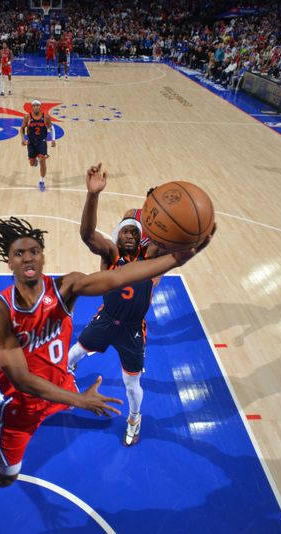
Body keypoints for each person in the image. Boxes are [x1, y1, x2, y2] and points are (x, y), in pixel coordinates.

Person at [0, 182, 203, 531]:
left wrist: (179, 258)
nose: (28, 257)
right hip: (24, 403)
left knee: (91, 364)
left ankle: (131, 415)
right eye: (19, 253)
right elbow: (23, 380)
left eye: (34, 251)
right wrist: (79, 400)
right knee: (6, 475)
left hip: (68, 380)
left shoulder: (67, 287)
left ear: (43, 255)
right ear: (8, 259)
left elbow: (117, 277)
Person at [68, 166, 215, 446]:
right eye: (124, 231)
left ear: (141, 240)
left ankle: (134, 418)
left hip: (133, 331)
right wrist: (92, 195)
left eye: (134, 233)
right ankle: (67, 379)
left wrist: (190, 229)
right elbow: (88, 235)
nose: (129, 235)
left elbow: (175, 245)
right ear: (116, 236)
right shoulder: (110, 255)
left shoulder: (151, 263)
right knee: (73, 355)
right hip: (106, 320)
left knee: (131, 384)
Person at [19, 99, 56, 192]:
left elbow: (52, 128)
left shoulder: (46, 117)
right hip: (31, 143)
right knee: (32, 164)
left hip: (42, 142)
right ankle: (34, 160)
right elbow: (22, 128)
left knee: (42, 160)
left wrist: (53, 139)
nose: (36, 107)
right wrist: (23, 138)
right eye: (34, 105)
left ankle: (41, 181)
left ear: (40, 107)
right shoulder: (27, 117)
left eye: (37, 105)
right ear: (32, 107)